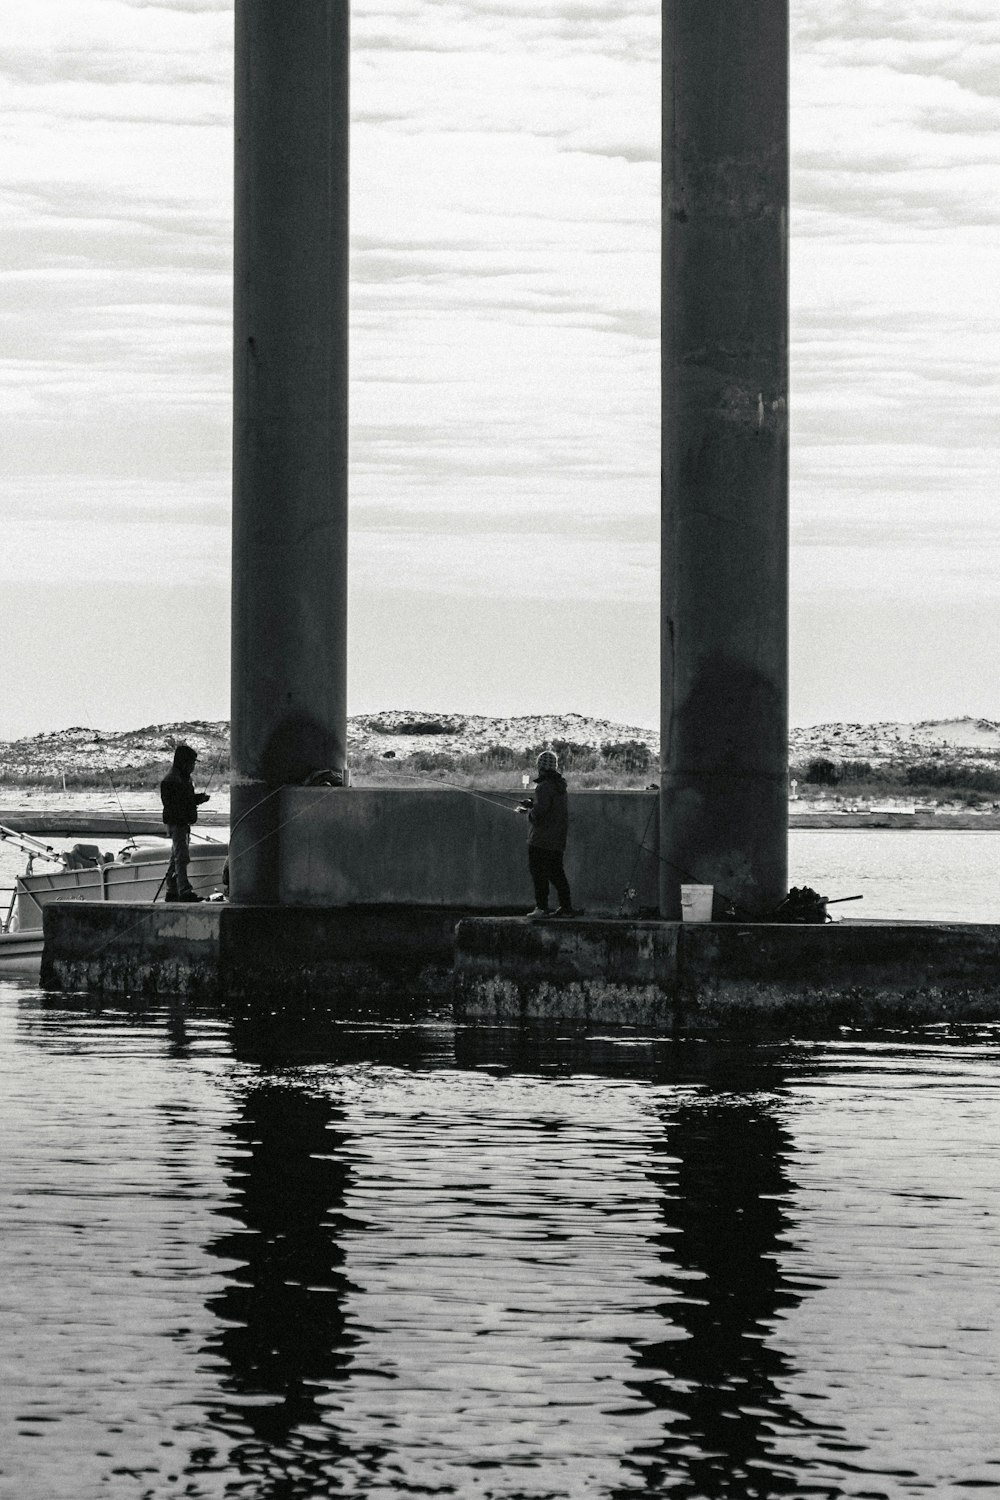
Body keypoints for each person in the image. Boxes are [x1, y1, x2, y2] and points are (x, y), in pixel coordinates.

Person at [517, 749, 575, 918]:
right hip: (557, 840)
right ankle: (566, 907)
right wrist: (532, 803)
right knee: (557, 873)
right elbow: (550, 807)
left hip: (541, 840)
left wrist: (528, 812)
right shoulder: (560, 786)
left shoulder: (543, 787)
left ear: (540, 767)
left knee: (538, 874)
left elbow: (540, 813)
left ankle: (541, 908)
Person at [160, 743, 210, 902]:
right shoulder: (173, 780)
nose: (193, 767)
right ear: (183, 762)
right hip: (178, 823)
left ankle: (172, 890)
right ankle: (184, 891)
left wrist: (196, 800)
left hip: (180, 822)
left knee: (176, 857)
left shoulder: (179, 778)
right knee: (182, 857)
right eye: (192, 763)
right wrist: (195, 802)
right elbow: (176, 804)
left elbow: (183, 801)